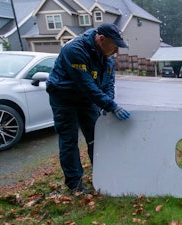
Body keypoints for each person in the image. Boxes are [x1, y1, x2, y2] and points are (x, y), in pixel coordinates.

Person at [46, 23, 131, 194]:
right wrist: (111, 105)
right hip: (64, 96)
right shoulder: (74, 50)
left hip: (87, 99)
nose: (116, 52)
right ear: (101, 39)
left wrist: (108, 102)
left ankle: (103, 175)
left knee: (97, 138)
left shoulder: (107, 58)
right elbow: (86, 85)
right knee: (69, 140)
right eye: (114, 46)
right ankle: (74, 184)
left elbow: (109, 84)